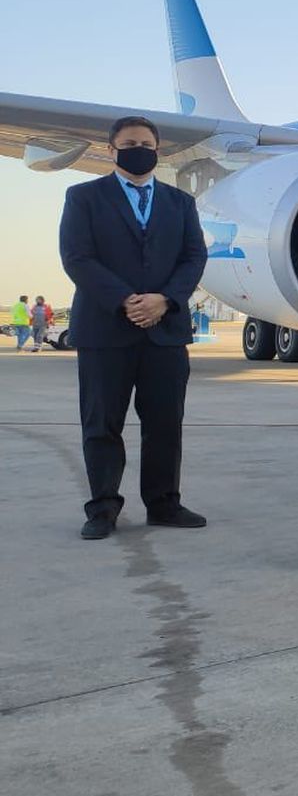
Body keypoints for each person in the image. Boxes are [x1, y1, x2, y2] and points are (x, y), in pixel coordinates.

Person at [59, 115, 208, 540]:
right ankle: (103, 508)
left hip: (165, 330)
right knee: (102, 423)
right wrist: (125, 299)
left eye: (146, 142)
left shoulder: (180, 203)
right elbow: (76, 257)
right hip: (105, 330)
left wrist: (166, 300)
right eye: (129, 142)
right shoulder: (84, 196)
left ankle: (164, 503)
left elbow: (194, 257)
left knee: (165, 423)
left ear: (157, 150)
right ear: (111, 149)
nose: (138, 148)